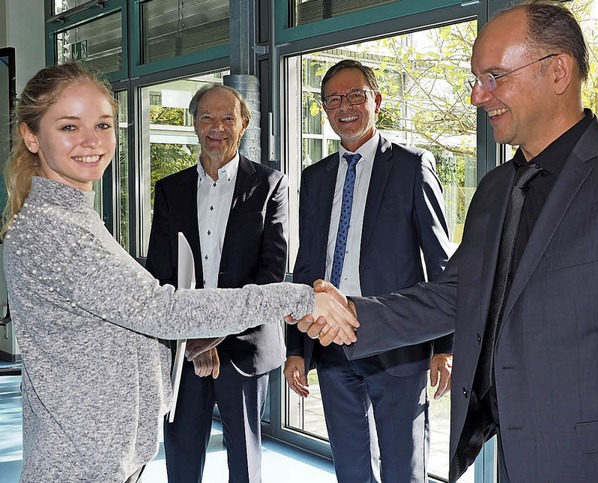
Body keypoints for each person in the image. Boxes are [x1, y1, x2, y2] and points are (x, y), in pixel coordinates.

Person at [302, 2, 598, 482]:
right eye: (474, 80)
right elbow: (456, 294)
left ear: (558, 71)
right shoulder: (497, 189)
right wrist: (357, 314)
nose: (478, 97)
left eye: (494, 77)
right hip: (514, 453)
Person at [2, 62, 357, 483]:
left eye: (102, 124)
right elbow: (158, 304)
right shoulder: (55, 227)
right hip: (81, 461)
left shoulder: (75, 215)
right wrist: (299, 297)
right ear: (31, 135)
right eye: (68, 127)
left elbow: (260, 268)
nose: (91, 141)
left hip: (106, 449)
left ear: (244, 125)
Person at [283, 59, 453, 482]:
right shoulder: (315, 177)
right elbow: (306, 267)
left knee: (402, 467)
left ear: (376, 101)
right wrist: (295, 350)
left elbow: (440, 262)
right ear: (324, 110)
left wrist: (444, 346)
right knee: (350, 466)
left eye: (356, 95)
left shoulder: (413, 166)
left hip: (398, 346)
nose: (346, 106)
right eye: (334, 99)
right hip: (331, 343)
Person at [145, 84, 288, 483]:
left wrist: (214, 336)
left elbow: (270, 277)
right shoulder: (170, 190)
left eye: (228, 118)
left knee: (244, 459)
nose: (217, 127)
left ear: (244, 124)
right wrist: (192, 337)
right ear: (194, 124)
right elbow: (161, 273)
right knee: (181, 454)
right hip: (184, 352)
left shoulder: (270, 185)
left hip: (244, 348)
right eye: (207, 117)